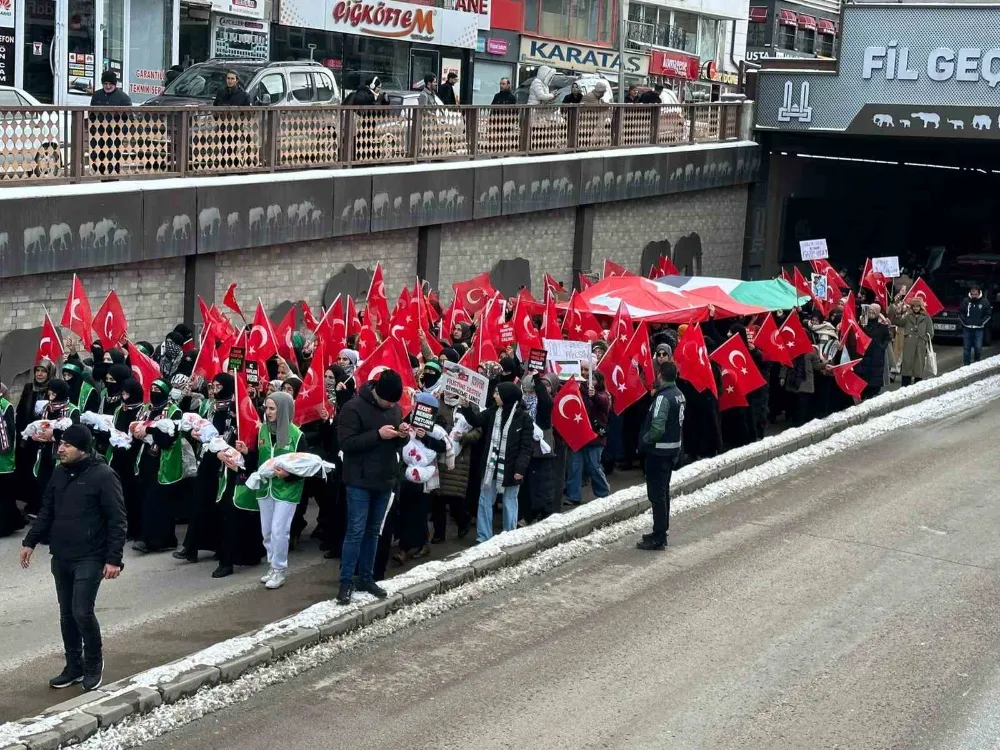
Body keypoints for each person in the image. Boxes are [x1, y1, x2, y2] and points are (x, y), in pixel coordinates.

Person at [20, 424, 127, 692]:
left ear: (82, 449)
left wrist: (114, 558)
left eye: (67, 445)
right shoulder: (59, 473)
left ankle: (93, 662)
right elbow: (46, 510)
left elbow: (117, 519)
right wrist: (30, 542)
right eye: (60, 444)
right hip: (62, 554)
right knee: (67, 614)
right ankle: (73, 666)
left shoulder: (103, 476)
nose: (61, 448)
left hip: (90, 556)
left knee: (82, 611)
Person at [336, 371, 407, 605]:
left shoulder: (395, 409)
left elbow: (396, 440)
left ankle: (366, 577)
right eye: (388, 401)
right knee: (355, 531)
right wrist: (378, 434)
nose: (392, 406)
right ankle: (346, 581)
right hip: (359, 480)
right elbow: (347, 443)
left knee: (374, 531)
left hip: (385, 479)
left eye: (394, 402)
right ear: (378, 393)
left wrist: (402, 435)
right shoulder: (353, 407)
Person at [244, 391, 304, 590]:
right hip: (265, 488)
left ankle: (279, 570)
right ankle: (272, 564)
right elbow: (257, 458)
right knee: (267, 531)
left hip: (287, 490)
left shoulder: (296, 435)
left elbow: (306, 466)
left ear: (284, 409)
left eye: (272, 408)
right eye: (266, 408)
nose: (267, 412)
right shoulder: (262, 431)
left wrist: (289, 475)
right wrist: (246, 452)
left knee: (280, 530)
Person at [469, 382, 534, 542]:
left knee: (509, 501)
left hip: (512, 468)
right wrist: (466, 407)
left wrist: (520, 469)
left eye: (497, 393)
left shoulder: (524, 418)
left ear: (506, 396)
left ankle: (509, 536)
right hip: (491, 466)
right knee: (484, 500)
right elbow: (476, 421)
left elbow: (526, 447)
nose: (494, 396)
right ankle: (483, 537)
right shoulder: (492, 412)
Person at [637, 362, 684, 551]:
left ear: (660, 376)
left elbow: (657, 427)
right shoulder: (679, 394)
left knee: (657, 495)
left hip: (658, 452)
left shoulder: (663, 398)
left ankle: (658, 535)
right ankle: (660, 531)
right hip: (671, 451)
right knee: (663, 493)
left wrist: (644, 441)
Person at [899, 298, 933, 387]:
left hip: (920, 344)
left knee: (919, 365)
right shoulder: (907, 316)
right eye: (914, 306)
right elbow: (898, 322)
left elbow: (930, 332)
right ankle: (905, 386)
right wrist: (901, 312)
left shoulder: (926, 317)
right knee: (907, 364)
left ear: (921, 306)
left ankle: (917, 386)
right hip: (908, 344)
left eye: (917, 306)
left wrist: (924, 339)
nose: (915, 308)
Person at [959, 284, 992, 365]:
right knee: (966, 348)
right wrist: (965, 322)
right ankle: (966, 365)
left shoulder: (985, 302)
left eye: (975, 294)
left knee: (978, 347)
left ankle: (976, 363)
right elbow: (960, 313)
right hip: (967, 328)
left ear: (979, 293)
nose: (974, 296)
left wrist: (981, 322)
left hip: (979, 329)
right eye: (972, 294)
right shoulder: (966, 301)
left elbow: (988, 314)